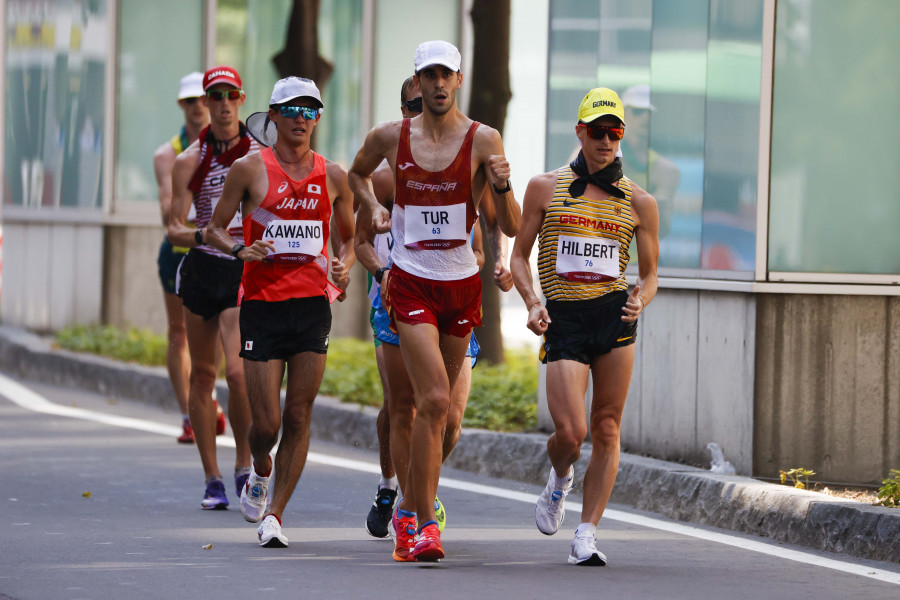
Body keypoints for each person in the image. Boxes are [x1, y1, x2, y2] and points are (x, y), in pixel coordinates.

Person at [349, 40, 520, 562]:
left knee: (444, 418)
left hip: (462, 286)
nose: (439, 84)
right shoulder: (390, 138)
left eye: (447, 75)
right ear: (418, 82)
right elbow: (356, 174)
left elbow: (508, 224)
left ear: (459, 79)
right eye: (430, 75)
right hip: (411, 281)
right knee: (432, 400)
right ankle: (422, 523)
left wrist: (504, 188)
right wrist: (376, 209)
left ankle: (410, 502)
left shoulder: (483, 139)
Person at [510, 87, 658, 566]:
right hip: (565, 318)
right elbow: (518, 256)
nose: (606, 142)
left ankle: (587, 533)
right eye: (597, 132)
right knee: (571, 434)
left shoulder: (639, 200)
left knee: (608, 428)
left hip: (613, 315)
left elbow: (652, 275)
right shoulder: (544, 187)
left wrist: (641, 298)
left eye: (614, 133)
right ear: (580, 132)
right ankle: (559, 480)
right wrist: (532, 302)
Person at [206, 76, 355, 548]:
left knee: (298, 415)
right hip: (262, 307)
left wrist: (344, 265)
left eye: (310, 111)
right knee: (265, 423)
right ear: (272, 116)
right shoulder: (250, 169)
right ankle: (259, 468)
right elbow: (212, 228)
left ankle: (275, 515)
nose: (301, 119)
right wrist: (238, 250)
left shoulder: (333, 175)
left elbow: (350, 238)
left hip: (312, 306)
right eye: (291, 110)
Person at [167, 66, 256, 511]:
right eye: (214, 96)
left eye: (230, 95)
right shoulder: (189, 161)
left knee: (238, 374)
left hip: (241, 270)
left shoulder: (259, 154)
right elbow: (173, 230)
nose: (221, 104)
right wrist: (204, 235)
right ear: (204, 101)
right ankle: (212, 477)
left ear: (241, 98)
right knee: (203, 375)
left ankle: (243, 464)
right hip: (203, 269)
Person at [152, 71, 228, 444]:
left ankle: (207, 398)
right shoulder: (170, 155)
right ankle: (188, 414)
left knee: (215, 340)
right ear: (182, 105)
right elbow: (170, 212)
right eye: (192, 101)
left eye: (206, 98)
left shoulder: (238, 147)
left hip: (219, 253)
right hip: (181, 252)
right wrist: (216, 218)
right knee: (178, 334)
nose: (199, 106)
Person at [618, 85, 679, 239]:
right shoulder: (597, 156)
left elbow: (662, 231)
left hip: (639, 260)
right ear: (623, 114)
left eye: (649, 112)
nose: (645, 117)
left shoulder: (666, 171)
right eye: (638, 111)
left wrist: (658, 208)